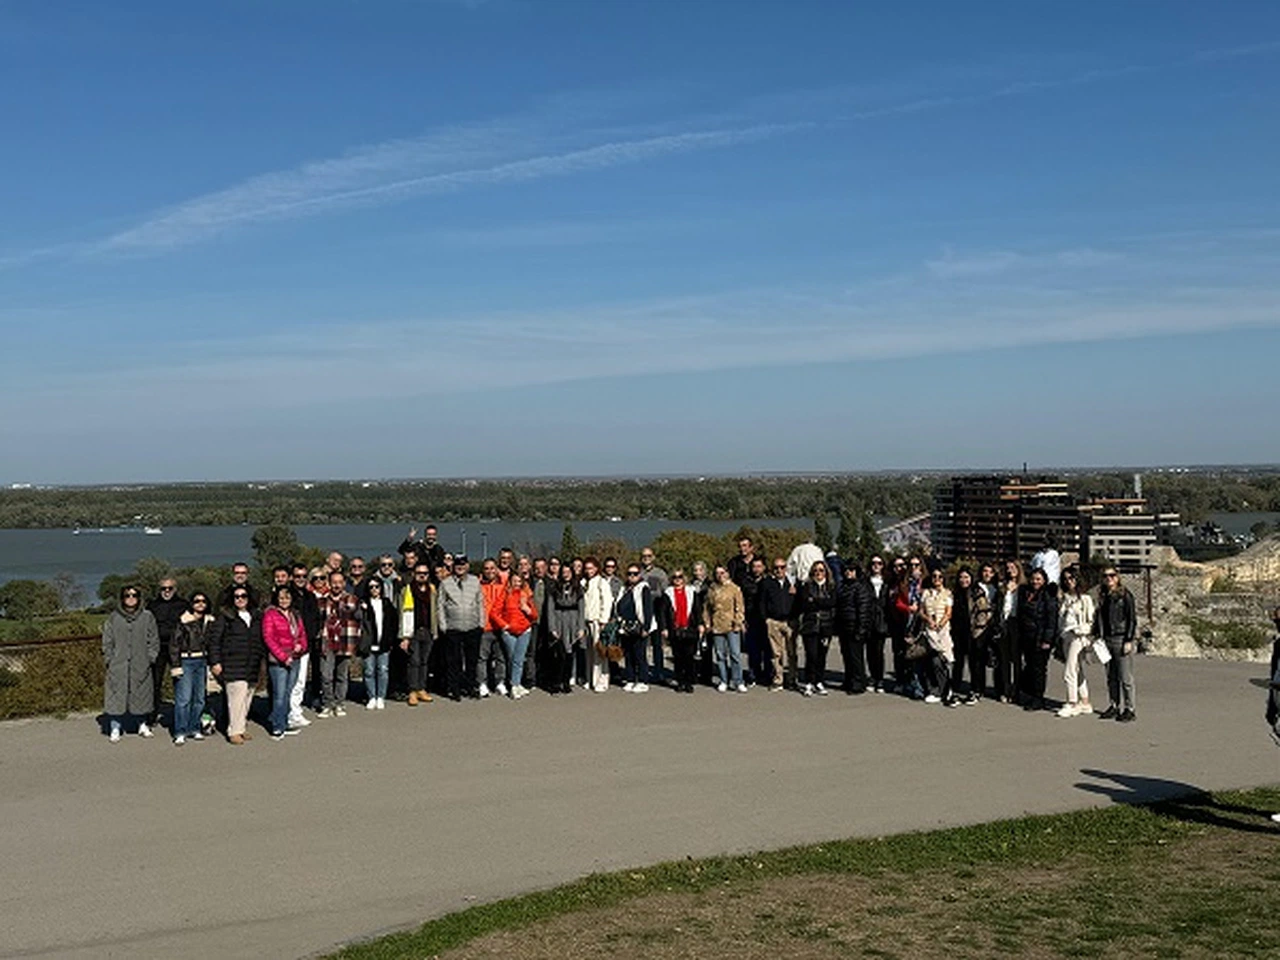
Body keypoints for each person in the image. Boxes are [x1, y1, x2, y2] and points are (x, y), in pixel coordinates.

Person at [102, 584, 160, 742]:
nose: (131, 598)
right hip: (118, 664)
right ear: (122, 598)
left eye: (134, 595)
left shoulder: (147, 617)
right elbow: (107, 641)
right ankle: (115, 727)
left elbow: (153, 640)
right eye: (127, 595)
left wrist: (150, 658)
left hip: (141, 663)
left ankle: (142, 724)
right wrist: (109, 658)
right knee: (116, 696)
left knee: (141, 694)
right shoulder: (114, 617)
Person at [210, 585, 263, 745]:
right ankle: (233, 730)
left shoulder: (255, 615)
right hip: (233, 662)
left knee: (247, 696)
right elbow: (215, 641)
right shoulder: (225, 617)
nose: (240, 599)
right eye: (237, 597)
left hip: (252, 662)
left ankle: (241, 727)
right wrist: (215, 661)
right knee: (236, 698)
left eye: (243, 596)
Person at [168, 592, 215, 745]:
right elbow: (174, 644)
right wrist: (176, 666)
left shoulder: (210, 621)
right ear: (191, 604)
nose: (200, 604)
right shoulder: (183, 621)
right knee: (184, 699)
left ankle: (195, 728)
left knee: (200, 699)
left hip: (203, 660)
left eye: (203, 601)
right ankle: (180, 731)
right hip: (186, 660)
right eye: (196, 601)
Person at [261, 586, 307, 739]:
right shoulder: (270, 614)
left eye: (287, 598)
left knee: (288, 692)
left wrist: (301, 647)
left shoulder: (295, 614)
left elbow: (302, 634)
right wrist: (282, 656)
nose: (284, 601)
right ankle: (277, 727)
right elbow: (269, 638)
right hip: (279, 661)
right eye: (281, 598)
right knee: (279, 694)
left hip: (295, 658)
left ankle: (284, 722)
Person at [1094, 567, 1137, 722]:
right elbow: (1100, 618)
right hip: (1107, 639)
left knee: (1125, 677)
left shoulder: (1125, 595)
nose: (1109, 578)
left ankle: (1129, 708)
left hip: (1121, 638)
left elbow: (1131, 619)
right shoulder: (1103, 596)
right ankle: (1114, 705)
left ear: (1117, 577)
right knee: (1111, 676)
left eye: (1112, 575)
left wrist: (1129, 639)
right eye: (1105, 576)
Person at [439, 555, 484, 701]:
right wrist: (443, 626)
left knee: (472, 660)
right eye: (457, 564)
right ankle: (455, 689)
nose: (460, 567)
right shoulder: (445, 583)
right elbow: (440, 605)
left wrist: (481, 623)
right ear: (453, 566)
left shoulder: (475, 581)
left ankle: (471, 687)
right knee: (454, 661)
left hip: (472, 627)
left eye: (463, 564)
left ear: (467, 566)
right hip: (453, 628)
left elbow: (480, 603)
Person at [318, 571, 362, 718]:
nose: (336, 585)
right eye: (334, 582)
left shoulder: (352, 599)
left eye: (339, 582)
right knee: (326, 675)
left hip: (345, 641)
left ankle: (339, 703)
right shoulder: (323, 601)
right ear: (329, 583)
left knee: (342, 676)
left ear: (344, 583)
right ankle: (327, 704)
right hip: (328, 641)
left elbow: (359, 619)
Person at [1057, 566, 1097, 718]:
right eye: (1066, 579)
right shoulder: (1065, 598)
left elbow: (1091, 621)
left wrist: (1081, 630)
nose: (1069, 581)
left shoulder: (1085, 599)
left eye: (1072, 578)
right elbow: (1061, 619)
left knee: (1070, 670)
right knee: (1077, 669)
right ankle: (1085, 701)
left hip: (1079, 637)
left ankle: (1072, 702)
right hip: (1066, 636)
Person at [1017, 568, 1059, 711]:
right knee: (1029, 666)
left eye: (1038, 579)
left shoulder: (1048, 595)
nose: (1035, 582)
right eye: (1033, 579)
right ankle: (1029, 693)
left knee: (1039, 669)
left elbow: (1051, 620)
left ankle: (1038, 698)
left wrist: (1047, 640)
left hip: (1041, 637)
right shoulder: (1027, 593)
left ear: (1044, 581)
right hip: (1027, 636)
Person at [146, 578, 185, 729]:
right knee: (154, 683)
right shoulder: (153, 605)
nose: (166, 591)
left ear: (175, 589)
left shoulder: (183, 605)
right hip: (158, 648)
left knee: (180, 682)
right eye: (163, 588)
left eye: (169, 588)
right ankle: (151, 715)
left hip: (177, 648)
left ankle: (181, 715)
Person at [492, 571, 538, 699]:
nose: (517, 584)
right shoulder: (505, 595)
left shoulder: (525, 595)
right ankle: (515, 684)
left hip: (524, 631)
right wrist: (504, 625)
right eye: (514, 581)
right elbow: (494, 613)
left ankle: (515, 685)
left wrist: (527, 609)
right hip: (509, 632)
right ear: (510, 582)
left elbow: (534, 615)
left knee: (519, 659)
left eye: (519, 581)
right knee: (513, 658)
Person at [703, 564, 746, 693]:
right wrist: (707, 623)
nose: (720, 576)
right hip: (717, 625)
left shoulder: (734, 589)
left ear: (727, 573)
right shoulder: (712, 589)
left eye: (722, 573)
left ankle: (738, 681)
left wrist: (738, 622)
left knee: (735, 654)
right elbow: (707, 608)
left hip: (732, 625)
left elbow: (740, 607)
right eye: (717, 573)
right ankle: (723, 680)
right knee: (720, 655)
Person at [796, 561, 837, 696]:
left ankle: (819, 681)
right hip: (810, 625)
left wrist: (815, 601)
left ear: (826, 572)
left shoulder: (831, 586)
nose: (819, 573)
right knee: (811, 655)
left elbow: (831, 603)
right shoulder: (806, 586)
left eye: (821, 570)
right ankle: (809, 682)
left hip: (826, 626)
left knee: (821, 655)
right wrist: (818, 602)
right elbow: (804, 604)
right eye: (816, 571)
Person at [398, 563, 436, 705]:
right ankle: (412, 691)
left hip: (427, 630)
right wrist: (404, 636)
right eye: (419, 573)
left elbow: (435, 611)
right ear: (414, 574)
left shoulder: (432, 590)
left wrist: (435, 631)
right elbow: (401, 613)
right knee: (413, 662)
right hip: (412, 631)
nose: (422, 575)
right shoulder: (407, 590)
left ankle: (421, 688)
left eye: (425, 573)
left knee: (424, 662)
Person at [661, 569, 704, 693]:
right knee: (678, 657)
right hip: (675, 629)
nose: (678, 579)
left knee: (689, 657)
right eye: (675, 577)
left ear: (684, 578)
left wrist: (700, 623)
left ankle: (689, 682)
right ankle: (680, 681)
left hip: (690, 628)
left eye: (680, 577)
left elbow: (697, 610)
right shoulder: (668, 593)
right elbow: (662, 612)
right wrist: (664, 628)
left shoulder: (691, 592)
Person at [544, 564, 585, 695]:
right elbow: (550, 609)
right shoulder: (554, 588)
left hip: (573, 622)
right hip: (558, 620)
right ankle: (555, 683)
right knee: (558, 656)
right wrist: (552, 627)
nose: (566, 574)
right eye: (564, 572)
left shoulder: (578, 588)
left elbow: (581, 609)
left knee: (569, 655)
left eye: (568, 571)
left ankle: (566, 682)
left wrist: (580, 627)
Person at [919, 567, 957, 706]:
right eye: (934, 576)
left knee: (943, 659)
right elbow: (921, 611)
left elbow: (949, 613)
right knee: (932, 660)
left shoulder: (948, 594)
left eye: (940, 576)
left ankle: (945, 689)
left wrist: (940, 624)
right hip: (929, 630)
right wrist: (929, 620)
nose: (937, 579)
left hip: (943, 629)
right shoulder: (926, 593)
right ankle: (936, 690)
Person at [760, 557, 798, 691]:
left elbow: (800, 601)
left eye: (782, 567)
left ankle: (792, 679)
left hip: (790, 622)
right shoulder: (767, 583)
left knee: (792, 652)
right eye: (776, 567)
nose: (779, 570)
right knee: (776, 653)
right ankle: (778, 679)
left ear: (786, 568)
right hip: (773, 621)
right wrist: (766, 619)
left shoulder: (792, 582)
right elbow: (762, 602)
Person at [359, 578, 397, 710]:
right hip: (368, 643)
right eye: (371, 587)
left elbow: (393, 622)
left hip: (384, 643)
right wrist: (363, 609)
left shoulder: (387, 603)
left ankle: (381, 696)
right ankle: (371, 697)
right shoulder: (363, 604)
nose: (374, 589)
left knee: (383, 670)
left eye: (377, 586)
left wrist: (391, 639)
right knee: (369, 671)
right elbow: (358, 620)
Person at [616, 564, 654, 692]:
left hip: (639, 625)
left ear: (640, 575)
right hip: (625, 625)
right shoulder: (624, 588)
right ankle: (630, 679)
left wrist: (646, 627)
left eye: (635, 574)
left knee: (639, 654)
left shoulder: (644, 588)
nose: (632, 576)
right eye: (629, 574)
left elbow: (648, 608)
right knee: (628, 654)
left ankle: (643, 680)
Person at [836, 561, 872, 694]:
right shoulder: (842, 587)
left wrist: (861, 629)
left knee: (856, 657)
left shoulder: (860, 588)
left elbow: (863, 611)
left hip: (855, 627)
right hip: (843, 627)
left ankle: (858, 683)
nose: (848, 572)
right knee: (846, 656)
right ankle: (849, 680)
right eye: (846, 569)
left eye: (851, 570)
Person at [993, 560, 1025, 703]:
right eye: (1008, 568)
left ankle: (1017, 690)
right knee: (1004, 659)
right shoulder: (1002, 586)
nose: (1010, 570)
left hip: (1017, 623)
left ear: (1018, 569)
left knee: (1017, 660)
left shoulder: (1024, 587)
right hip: (1004, 623)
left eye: (1013, 567)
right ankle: (1006, 689)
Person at [967, 563, 1000, 702]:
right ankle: (977, 688)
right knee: (977, 660)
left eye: (990, 572)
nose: (987, 574)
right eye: (985, 571)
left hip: (995, 627)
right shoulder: (975, 588)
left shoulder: (998, 588)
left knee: (997, 660)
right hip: (979, 627)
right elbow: (970, 608)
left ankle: (999, 689)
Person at [582, 556, 614, 692]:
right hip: (586, 621)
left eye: (591, 568)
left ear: (596, 568)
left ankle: (602, 680)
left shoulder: (602, 582)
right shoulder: (583, 582)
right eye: (587, 568)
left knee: (600, 652)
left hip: (598, 621)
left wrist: (603, 620)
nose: (589, 571)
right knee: (589, 652)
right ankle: (590, 679)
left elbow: (607, 601)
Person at [478, 559, 508, 697]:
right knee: (482, 658)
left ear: (496, 569)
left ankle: (499, 682)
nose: (489, 571)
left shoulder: (504, 585)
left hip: (500, 627)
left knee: (500, 657)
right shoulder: (478, 586)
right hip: (485, 627)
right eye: (486, 568)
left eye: (492, 568)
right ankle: (482, 683)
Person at [638, 547, 669, 685]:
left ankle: (659, 672)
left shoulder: (660, 573)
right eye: (644, 556)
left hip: (656, 610)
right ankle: (643, 673)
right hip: (642, 612)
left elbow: (666, 594)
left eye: (649, 556)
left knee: (657, 645)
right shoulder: (637, 572)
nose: (646, 558)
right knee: (642, 645)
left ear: (653, 557)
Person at [950, 568, 979, 701]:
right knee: (958, 663)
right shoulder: (954, 593)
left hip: (972, 632)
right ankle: (955, 689)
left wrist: (978, 630)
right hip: (957, 632)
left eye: (966, 577)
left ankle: (974, 690)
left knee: (974, 663)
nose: (964, 580)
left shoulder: (976, 592)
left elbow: (983, 612)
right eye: (961, 577)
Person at [865, 556, 891, 693]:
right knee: (869, 651)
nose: (876, 566)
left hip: (882, 620)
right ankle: (872, 677)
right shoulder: (865, 581)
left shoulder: (887, 582)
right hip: (869, 620)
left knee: (879, 651)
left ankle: (879, 678)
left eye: (879, 563)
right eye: (874, 563)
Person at [741, 556, 768, 686]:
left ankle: (768, 675)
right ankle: (753, 674)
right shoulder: (746, 582)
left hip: (766, 619)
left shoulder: (768, 581)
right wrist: (742, 619)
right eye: (754, 566)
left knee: (768, 651)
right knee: (753, 650)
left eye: (759, 566)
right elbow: (742, 601)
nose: (756, 569)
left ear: (763, 568)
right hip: (751, 619)